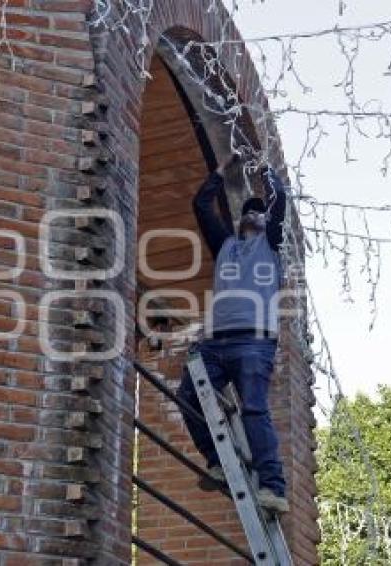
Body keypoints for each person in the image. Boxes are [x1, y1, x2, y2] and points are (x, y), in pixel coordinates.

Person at [175, 154, 289, 514]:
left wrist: (266, 170)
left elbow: (279, 201)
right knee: (188, 397)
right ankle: (218, 463)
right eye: (248, 210)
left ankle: (273, 488)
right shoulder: (224, 245)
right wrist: (221, 173)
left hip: (254, 342)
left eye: (259, 210)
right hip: (216, 342)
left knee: (254, 409)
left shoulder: (270, 245)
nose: (253, 213)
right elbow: (201, 205)